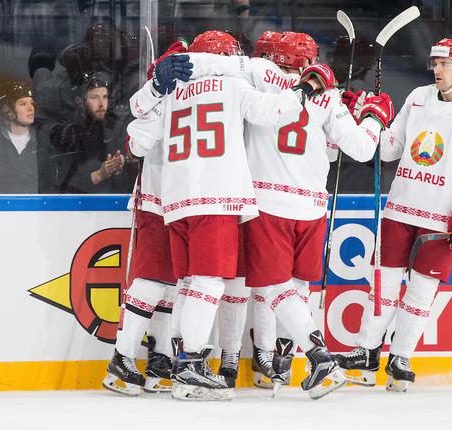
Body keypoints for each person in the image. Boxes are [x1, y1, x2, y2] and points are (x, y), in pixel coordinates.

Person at [183, 30, 394, 399]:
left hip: (268, 202)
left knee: (273, 287)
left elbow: (217, 64)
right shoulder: (327, 95)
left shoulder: (260, 71)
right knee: (295, 287)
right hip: (313, 207)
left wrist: (176, 64)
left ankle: (315, 357)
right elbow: (361, 149)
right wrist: (374, 118)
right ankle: (282, 361)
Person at [126, 30, 317, 401]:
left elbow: (136, 132)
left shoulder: (173, 91)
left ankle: (183, 365)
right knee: (209, 284)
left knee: (189, 284)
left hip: (176, 202)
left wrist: (154, 85)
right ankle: (191, 366)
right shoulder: (232, 88)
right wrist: (305, 90)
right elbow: (273, 112)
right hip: (216, 199)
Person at [335, 38, 452, 392]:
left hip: (441, 217)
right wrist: (367, 117)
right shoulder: (417, 97)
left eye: (445, 63)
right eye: (435, 63)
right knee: (381, 285)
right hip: (400, 207)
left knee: (421, 291)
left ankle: (401, 356)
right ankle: (366, 352)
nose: (437, 70)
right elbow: (387, 149)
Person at [103, 41, 192, 397]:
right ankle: (122, 359)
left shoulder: (198, 97)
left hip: (184, 203)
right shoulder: (158, 98)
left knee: (172, 283)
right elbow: (135, 144)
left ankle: (159, 358)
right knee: (151, 280)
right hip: (157, 201)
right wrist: (157, 91)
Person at [50, 73, 129, 193]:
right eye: (95, 97)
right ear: (80, 101)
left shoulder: (115, 130)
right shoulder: (68, 133)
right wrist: (98, 175)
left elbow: (127, 187)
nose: (102, 104)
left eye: (105, 97)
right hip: (76, 208)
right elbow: (60, 184)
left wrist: (117, 172)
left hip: (111, 206)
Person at [0, 81, 56, 194]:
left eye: (31, 103)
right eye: (23, 104)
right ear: (7, 110)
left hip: (37, 207)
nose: (31, 108)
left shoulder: (44, 141)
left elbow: (50, 185)